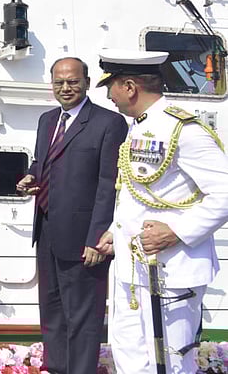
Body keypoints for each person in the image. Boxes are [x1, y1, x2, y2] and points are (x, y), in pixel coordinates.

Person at [95, 50, 228, 373]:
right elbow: (139, 192)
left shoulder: (185, 130)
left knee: (171, 360)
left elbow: (224, 192)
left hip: (172, 269)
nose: (109, 96)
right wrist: (115, 230)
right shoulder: (138, 127)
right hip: (132, 268)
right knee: (129, 356)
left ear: (129, 87)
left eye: (111, 86)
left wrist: (177, 232)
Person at [16, 57, 128, 374]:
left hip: (84, 238)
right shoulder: (47, 120)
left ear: (87, 83)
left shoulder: (109, 123)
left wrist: (97, 238)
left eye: (73, 81)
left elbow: (109, 185)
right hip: (47, 230)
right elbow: (42, 162)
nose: (65, 88)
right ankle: (57, 369)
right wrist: (31, 176)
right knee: (52, 312)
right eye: (59, 82)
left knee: (83, 317)